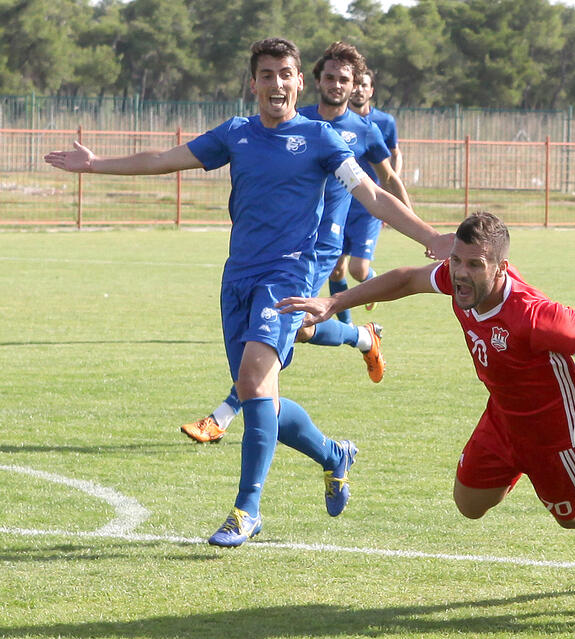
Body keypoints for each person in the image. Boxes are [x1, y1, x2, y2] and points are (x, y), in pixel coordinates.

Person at [45, 37, 451, 548]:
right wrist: (96, 164)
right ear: (254, 83)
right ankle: (332, 455)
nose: (277, 83)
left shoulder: (323, 138)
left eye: (286, 74)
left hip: (287, 278)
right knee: (264, 401)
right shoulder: (236, 134)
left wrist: (432, 237)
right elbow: (167, 158)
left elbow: (371, 193)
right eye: (266, 74)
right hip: (236, 279)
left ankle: (246, 510)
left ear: (298, 82)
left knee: (256, 381)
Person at [277, 211, 575, 581]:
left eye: (474, 264)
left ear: (501, 268)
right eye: (456, 259)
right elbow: (407, 280)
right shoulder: (460, 282)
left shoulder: (534, 315)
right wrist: (334, 303)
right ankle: (541, 433)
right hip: (502, 416)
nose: (459, 272)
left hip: (557, 433)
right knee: (469, 504)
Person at [179, 42, 409, 445]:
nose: (337, 86)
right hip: (292, 243)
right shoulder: (294, 119)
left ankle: (223, 415)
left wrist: (414, 223)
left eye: (346, 80)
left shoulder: (363, 129)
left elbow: (382, 181)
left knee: (274, 336)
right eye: (331, 78)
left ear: (356, 87)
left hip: (315, 248)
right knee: (298, 327)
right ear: (315, 81)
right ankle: (363, 337)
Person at [327, 67, 404, 324]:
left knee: (357, 269)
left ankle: (371, 282)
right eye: (355, 84)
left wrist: (397, 207)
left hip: (368, 206)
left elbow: (392, 157)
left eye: (364, 85)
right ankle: (346, 326)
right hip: (340, 204)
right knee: (336, 269)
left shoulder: (381, 123)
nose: (358, 89)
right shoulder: (331, 121)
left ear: (371, 91)